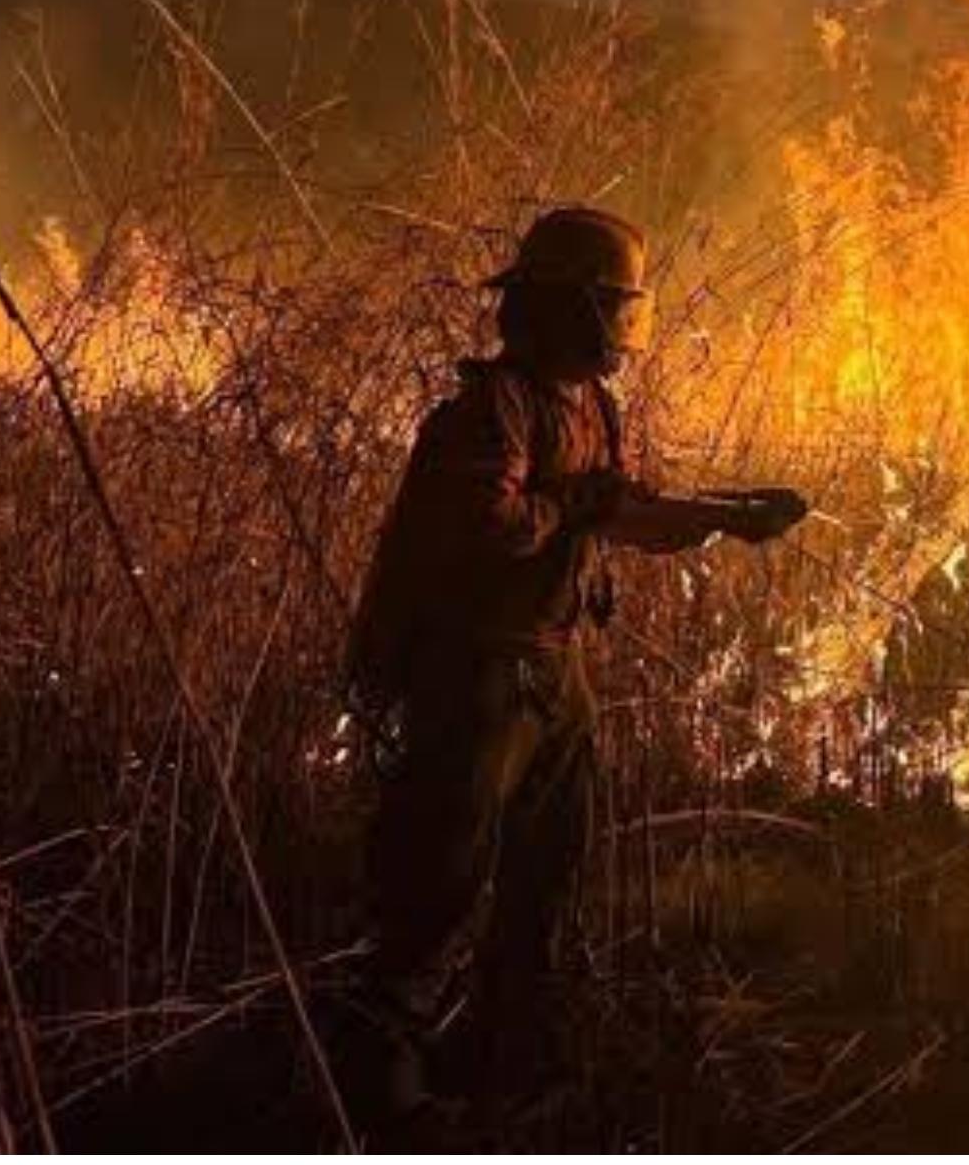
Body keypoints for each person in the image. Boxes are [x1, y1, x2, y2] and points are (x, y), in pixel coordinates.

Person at [341, 206, 806, 1125]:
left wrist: (721, 514)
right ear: (575, 309)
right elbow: (492, 526)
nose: (629, 329)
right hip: (479, 677)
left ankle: (503, 1066)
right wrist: (576, 506)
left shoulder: (589, 406)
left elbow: (614, 516)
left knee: (542, 883)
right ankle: (379, 1098)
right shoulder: (492, 410)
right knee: (435, 882)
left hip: (556, 676)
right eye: (618, 309)